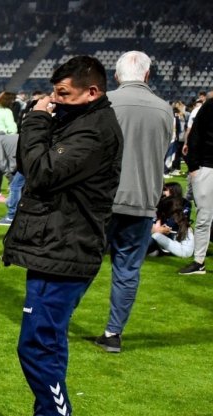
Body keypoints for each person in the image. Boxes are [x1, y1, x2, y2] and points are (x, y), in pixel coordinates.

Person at [0, 56, 123, 416]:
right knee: (45, 343)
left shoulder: (96, 130)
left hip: (67, 252)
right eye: (54, 93)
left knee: (37, 345)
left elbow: (40, 171)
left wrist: (34, 122)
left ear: (93, 92)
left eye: (63, 93)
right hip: (55, 245)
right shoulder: (80, 121)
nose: (54, 100)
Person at [89, 51, 174, 355]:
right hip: (142, 201)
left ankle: (56, 322)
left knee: (83, 263)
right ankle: (113, 333)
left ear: (116, 75)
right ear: (148, 75)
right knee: (127, 270)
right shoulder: (165, 110)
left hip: (102, 200)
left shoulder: (104, 103)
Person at [181, 89, 213, 275]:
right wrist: (193, 168)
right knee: (204, 216)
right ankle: (199, 261)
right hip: (207, 167)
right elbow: (195, 136)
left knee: (205, 216)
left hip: (205, 167)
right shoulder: (209, 106)